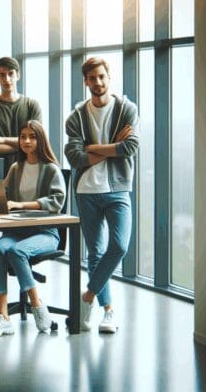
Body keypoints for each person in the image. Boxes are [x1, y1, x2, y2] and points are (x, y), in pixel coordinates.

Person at [64, 57, 139, 334]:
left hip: (118, 189)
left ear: (109, 77)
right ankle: (108, 312)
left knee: (118, 246)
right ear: (85, 81)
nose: (97, 83)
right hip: (86, 191)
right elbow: (74, 156)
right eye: (92, 78)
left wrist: (92, 149)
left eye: (101, 77)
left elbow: (129, 147)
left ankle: (88, 297)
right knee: (94, 252)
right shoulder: (76, 117)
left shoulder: (126, 109)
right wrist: (109, 145)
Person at [0, 120, 66, 337]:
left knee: (17, 251)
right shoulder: (16, 168)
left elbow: (57, 201)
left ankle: (37, 305)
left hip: (44, 233)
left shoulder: (51, 169)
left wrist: (21, 204)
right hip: (16, 231)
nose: (27, 141)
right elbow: (1, 194)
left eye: (32, 136)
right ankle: (2, 317)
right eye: (23, 136)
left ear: (41, 140)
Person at [0, 56, 44, 298]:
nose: (6, 79)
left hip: (29, 177)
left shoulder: (32, 105)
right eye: (1, 74)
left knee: (18, 232)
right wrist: (22, 143)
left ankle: (5, 282)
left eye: (10, 74)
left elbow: (36, 142)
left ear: (18, 75)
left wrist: (3, 139)